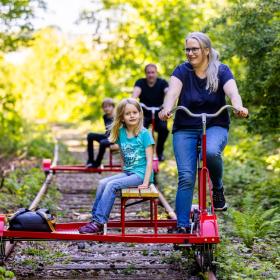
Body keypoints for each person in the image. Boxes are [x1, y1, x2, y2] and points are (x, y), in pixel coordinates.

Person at [159, 32, 248, 233]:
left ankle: (217, 189)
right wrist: (166, 109)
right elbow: (172, 93)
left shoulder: (221, 70)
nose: (190, 53)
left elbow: (233, 92)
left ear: (206, 50)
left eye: (194, 49)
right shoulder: (182, 70)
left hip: (215, 124)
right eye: (188, 49)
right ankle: (181, 225)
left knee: (210, 152)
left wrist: (238, 106)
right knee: (186, 176)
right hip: (185, 127)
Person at [79, 98, 155, 234]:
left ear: (140, 114)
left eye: (134, 112)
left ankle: (99, 222)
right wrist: (123, 171)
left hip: (141, 175)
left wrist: (145, 182)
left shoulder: (145, 134)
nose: (132, 115)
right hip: (129, 172)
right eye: (127, 113)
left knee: (111, 185)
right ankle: (94, 219)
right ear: (122, 117)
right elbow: (120, 151)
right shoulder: (121, 133)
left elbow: (150, 161)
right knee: (102, 183)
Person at [132, 64, 169, 161]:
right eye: (148, 72)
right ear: (145, 74)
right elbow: (136, 93)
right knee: (138, 129)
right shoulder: (140, 82)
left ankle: (159, 151)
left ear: (156, 73)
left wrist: (167, 103)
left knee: (163, 129)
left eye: (153, 72)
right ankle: (141, 152)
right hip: (144, 112)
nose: (151, 75)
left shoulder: (162, 83)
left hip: (159, 112)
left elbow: (168, 92)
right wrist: (132, 100)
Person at [86, 98, 115, 168]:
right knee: (90, 135)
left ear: (113, 107)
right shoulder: (105, 116)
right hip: (107, 136)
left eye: (109, 106)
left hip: (115, 138)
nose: (106, 108)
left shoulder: (117, 117)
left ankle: (97, 163)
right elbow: (107, 131)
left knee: (103, 142)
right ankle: (90, 160)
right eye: (104, 107)